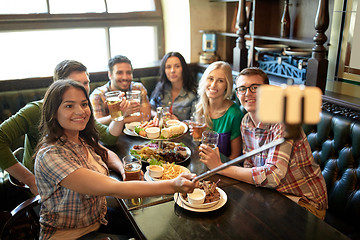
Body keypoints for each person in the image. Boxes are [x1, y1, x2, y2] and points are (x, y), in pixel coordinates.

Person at [34, 80, 196, 239]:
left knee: (157, 225)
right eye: (69, 106)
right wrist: (174, 185)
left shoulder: (79, 138)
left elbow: (106, 154)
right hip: (72, 234)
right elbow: (115, 188)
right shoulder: (50, 155)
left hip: (98, 218)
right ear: (53, 112)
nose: (81, 111)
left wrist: (122, 170)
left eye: (84, 104)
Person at [200, 67, 328, 219]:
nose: (248, 93)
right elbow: (249, 164)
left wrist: (220, 167)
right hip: (271, 195)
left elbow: (272, 176)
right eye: (242, 89)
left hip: (304, 204)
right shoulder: (246, 122)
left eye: (255, 88)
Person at [0, 60, 127, 196]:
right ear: (58, 86)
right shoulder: (36, 110)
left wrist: (123, 169)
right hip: (48, 193)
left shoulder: (81, 111)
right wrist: (29, 180)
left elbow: (108, 138)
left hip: (80, 186)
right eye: (75, 84)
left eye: (86, 83)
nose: (83, 89)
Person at [195, 61, 244, 160]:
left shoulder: (234, 114)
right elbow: (199, 146)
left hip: (223, 169)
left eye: (220, 81)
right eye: (210, 79)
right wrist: (197, 138)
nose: (213, 85)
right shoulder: (201, 105)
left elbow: (235, 157)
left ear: (227, 85)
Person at [90, 55, 151, 125]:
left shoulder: (138, 88)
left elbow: (146, 116)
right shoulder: (98, 95)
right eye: (119, 73)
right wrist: (121, 114)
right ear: (110, 75)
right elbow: (97, 123)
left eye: (128, 73)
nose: (125, 77)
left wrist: (116, 120)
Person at [150, 52, 198, 121]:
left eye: (177, 66)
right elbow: (150, 108)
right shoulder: (161, 87)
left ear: (183, 69)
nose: (172, 70)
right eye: (168, 67)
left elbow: (196, 121)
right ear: (164, 70)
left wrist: (178, 122)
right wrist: (158, 115)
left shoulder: (193, 93)